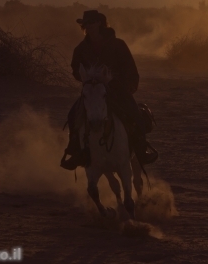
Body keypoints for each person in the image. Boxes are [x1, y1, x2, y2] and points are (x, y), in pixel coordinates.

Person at [60, 10, 157, 170]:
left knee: (135, 115)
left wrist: (126, 87)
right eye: (86, 23)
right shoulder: (81, 49)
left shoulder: (118, 45)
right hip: (93, 93)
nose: (88, 26)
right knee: (73, 116)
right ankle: (76, 151)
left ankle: (141, 151)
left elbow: (131, 69)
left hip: (118, 90)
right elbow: (76, 70)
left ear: (99, 23)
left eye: (91, 22)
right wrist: (86, 77)